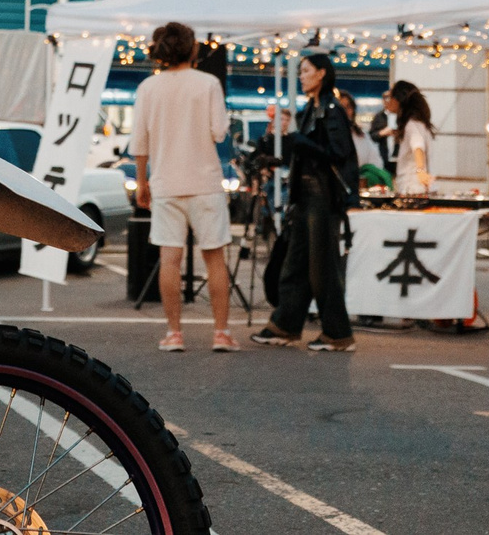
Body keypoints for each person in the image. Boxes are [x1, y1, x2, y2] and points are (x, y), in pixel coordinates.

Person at [132, 20, 236, 352]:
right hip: (205, 181)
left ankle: (174, 333)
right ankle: (221, 333)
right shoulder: (208, 84)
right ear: (193, 48)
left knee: (169, 259)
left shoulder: (149, 88)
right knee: (215, 258)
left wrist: (141, 181)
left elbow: (140, 142)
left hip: (165, 182)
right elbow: (219, 132)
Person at [253, 50, 359, 351]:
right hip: (306, 196)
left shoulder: (331, 109)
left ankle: (337, 333)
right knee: (296, 262)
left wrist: (304, 144)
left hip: (323, 198)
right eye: (300, 71)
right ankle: (285, 325)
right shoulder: (311, 109)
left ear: (322, 73)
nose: (301, 76)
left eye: (306, 70)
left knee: (322, 267)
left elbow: (340, 154)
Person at [378, 81, 435, 195]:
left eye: (391, 96)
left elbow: (418, 146)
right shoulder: (419, 122)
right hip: (416, 186)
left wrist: (420, 171)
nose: (388, 101)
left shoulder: (411, 124)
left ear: (398, 99)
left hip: (411, 186)